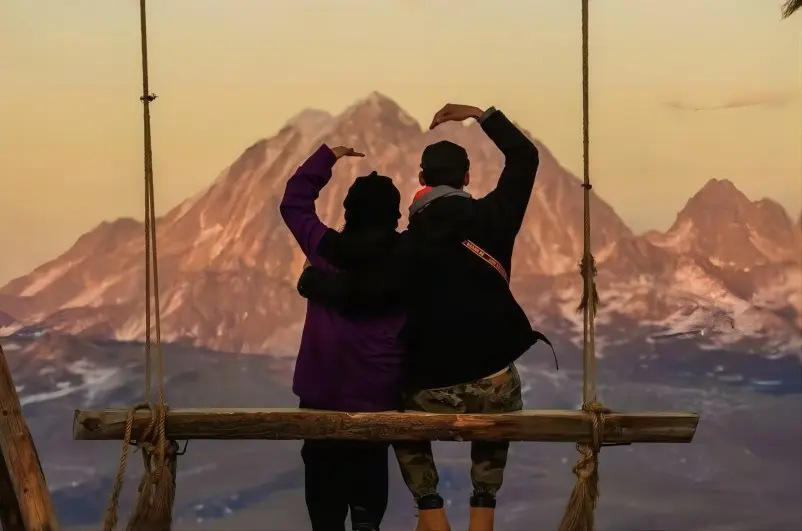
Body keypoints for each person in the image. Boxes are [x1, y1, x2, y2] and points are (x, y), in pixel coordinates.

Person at [297, 103, 551, 531]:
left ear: (420, 182)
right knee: (501, 392)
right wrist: (479, 114)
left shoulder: (405, 245)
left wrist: (312, 284)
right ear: (467, 178)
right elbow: (526, 156)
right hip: (493, 383)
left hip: (429, 389)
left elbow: (365, 295)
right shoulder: (496, 219)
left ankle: (430, 507)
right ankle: (483, 507)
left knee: (394, 405)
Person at [279, 144, 406, 531]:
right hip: (378, 400)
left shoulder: (325, 250)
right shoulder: (408, 260)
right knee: (369, 501)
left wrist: (327, 157)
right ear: (395, 216)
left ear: (348, 214)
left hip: (322, 399)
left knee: (325, 511)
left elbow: (294, 205)